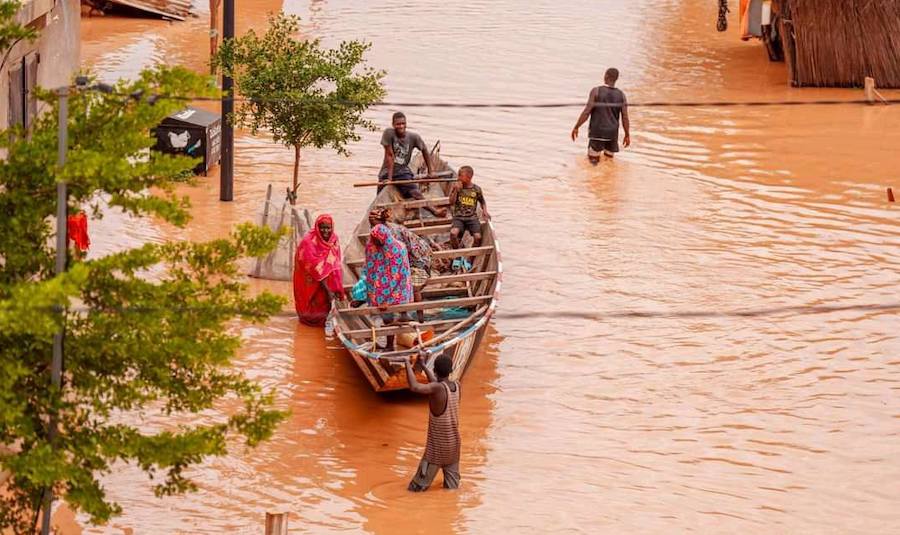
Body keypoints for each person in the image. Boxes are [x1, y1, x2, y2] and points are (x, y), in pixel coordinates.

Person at [405, 352, 461, 492]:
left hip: (437, 450)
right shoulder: (457, 386)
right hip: (454, 448)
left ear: (435, 371)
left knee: (415, 491)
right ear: (451, 371)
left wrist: (406, 363)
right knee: (451, 491)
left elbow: (415, 387)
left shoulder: (437, 388)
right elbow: (437, 384)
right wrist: (423, 365)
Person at [369, 208, 433, 322]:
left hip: (416, 261)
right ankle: (393, 318)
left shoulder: (393, 236)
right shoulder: (378, 233)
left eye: (374, 225)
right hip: (401, 261)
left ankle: (419, 318)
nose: (373, 229)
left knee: (412, 286)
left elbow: (399, 269)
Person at [378, 112, 446, 217]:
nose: (401, 126)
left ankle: (434, 211)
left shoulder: (413, 137)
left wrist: (431, 171)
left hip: (402, 172)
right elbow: (390, 155)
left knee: (415, 192)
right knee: (379, 201)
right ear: (393, 124)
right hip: (387, 172)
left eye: (403, 124)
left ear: (406, 124)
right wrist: (390, 179)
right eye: (398, 124)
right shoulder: (388, 133)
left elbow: (424, 150)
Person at [365, 223, 413, 351]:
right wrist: (370, 292)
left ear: (382, 239)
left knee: (388, 315)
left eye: (375, 240)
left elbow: (401, 278)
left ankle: (390, 345)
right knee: (385, 314)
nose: (372, 242)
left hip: (398, 287)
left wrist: (388, 301)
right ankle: (391, 339)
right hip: (382, 285)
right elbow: (370, 269)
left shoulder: (397, 249)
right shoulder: (372, 246)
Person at [570, 67, 631, 164]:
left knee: (593, 163)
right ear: (616, 79)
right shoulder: (621, 95)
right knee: (608, 162)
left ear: (605, 76)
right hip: (612, 134)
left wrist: (576, 126)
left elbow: (587, 112)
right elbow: (625, 117)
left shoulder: (596, 91)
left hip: (597, 132)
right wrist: (627, 134)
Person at [293, 214, 345, 326]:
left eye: (328, 228)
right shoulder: (308, 242)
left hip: (327, 282)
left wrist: (336, 288)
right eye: (322, 227)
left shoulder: (334, 239)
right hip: (310, 281)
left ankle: (323, 325)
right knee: (311, 308)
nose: (325, 231)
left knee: (324, 307)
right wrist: (328, 291)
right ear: (317, 227)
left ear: (332, 228)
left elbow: (335, 264)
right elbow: (314, 269)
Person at [448, 166, 490, 253]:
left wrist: (485, 211)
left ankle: (470, 258)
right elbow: (451, 202)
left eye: (460, 176)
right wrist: (455, 190)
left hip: (472, 218)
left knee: (478, 237)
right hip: (458, 217)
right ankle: (457, 253)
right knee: (453, 233)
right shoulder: (457, 187)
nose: (458, 177)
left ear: (469, 177)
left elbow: (482, 202)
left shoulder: (476, 189)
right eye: (458, 175)